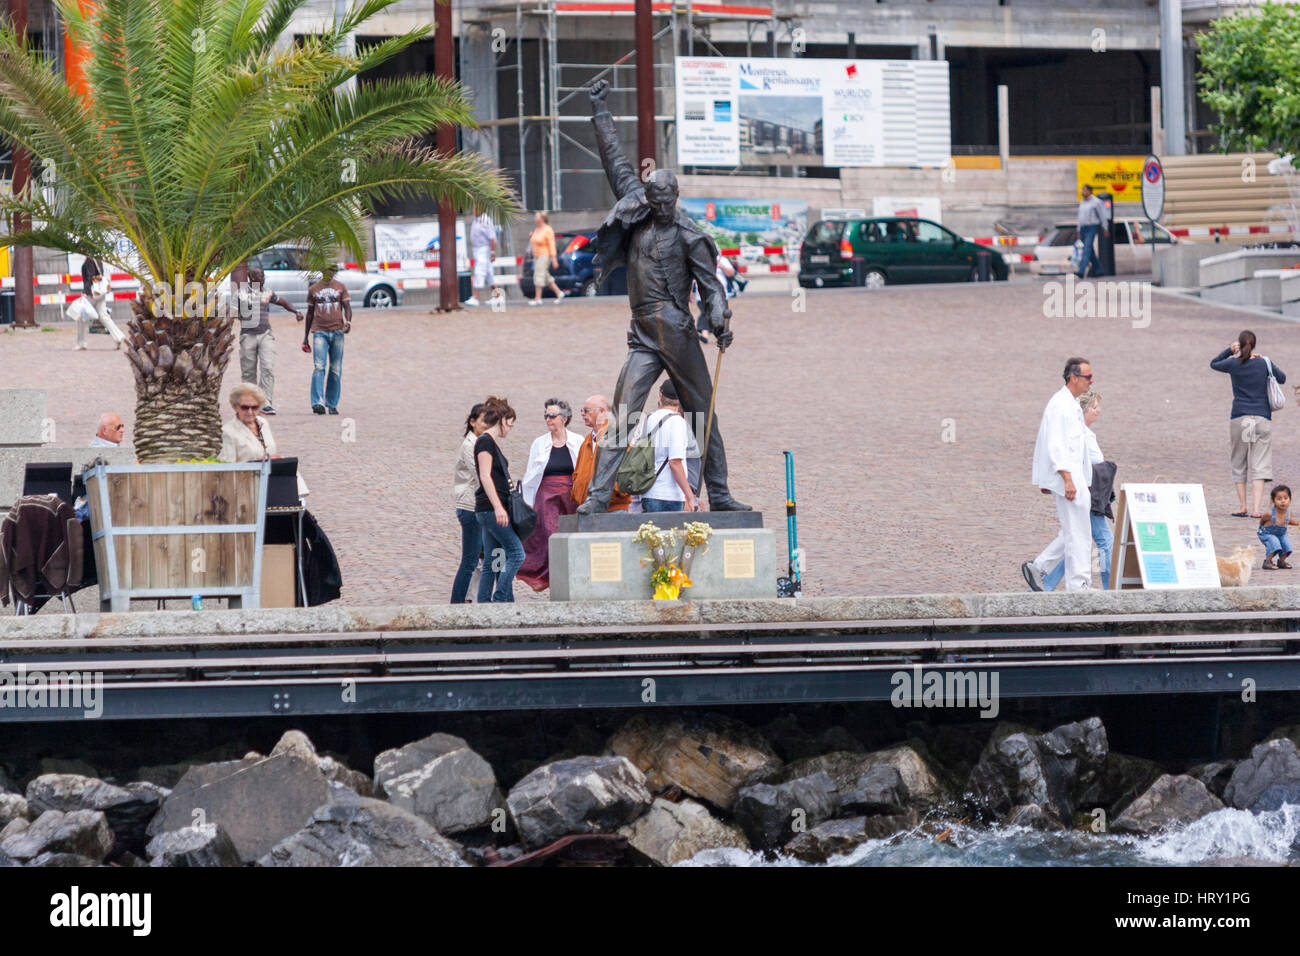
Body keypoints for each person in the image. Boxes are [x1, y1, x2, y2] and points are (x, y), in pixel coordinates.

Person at [577, 78, 749, 513]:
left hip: (676, 329)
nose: (661, 206)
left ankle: (721, 494)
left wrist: (719, 319)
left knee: (702, 414)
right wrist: (600, 110)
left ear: (677, 197)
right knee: (621, 416)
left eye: (667, 200)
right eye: (655, 199)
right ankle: (599, 498)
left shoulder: (691, 236)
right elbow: (614, 160)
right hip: (642, 334)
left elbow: (711, 287)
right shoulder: (636, 211)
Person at [1022, 358, 1096, 592]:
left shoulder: (1070, 404)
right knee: (1078, 534)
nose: (1091, 381)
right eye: (1087, 377)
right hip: (1070, 477)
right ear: (1073, 377)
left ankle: (1040, 566)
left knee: (1074, 531)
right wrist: (1065, 478)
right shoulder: (1060, 405)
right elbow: (1054, 445)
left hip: (1075, 476)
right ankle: (1079, 585)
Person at [1039, 391, 1117, 590]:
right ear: (1082, 411)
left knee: (1072, 540)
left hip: (1089, 495)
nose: (1098, 410)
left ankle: (1041, 581)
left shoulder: (1086, 434)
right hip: (1087, 496)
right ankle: (1112, 590)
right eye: (1094, 407)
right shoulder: (1080, 434)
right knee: (1104, 542)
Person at [1212, 330, 1285, 518]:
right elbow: (1282, 378)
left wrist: (1229, 350)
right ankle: (1256, 510)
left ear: (1240, 344)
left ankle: (1242, 505)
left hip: (1240, 419)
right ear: (1254, 345)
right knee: (1260, 464)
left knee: (1239, 462)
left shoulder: (1233, 363)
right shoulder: (1263, 362)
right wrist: (1265, 362)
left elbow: (1214, 364)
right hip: (1261, 418)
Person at [517, 399, 584, 591]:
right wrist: (527, 502)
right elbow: (531, 473)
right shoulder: (539, 443)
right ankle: (550, 577)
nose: (548, 419)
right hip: (546, 497)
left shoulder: (578, 440)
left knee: (569, 535)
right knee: (550, 534)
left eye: (552, 415)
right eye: (546, 415)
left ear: (564, 418)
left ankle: (569, 575)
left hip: (570, 498)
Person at [474, 396, 524, 602]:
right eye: (510, 423)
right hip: (491, 509)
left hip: (489, 509)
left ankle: (485, 603)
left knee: (494, 559)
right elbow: (485, 476)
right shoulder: (485, 442)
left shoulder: (489, 442)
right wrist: (498, 507)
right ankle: (501, 599)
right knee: (517, 553)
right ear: (503, 420)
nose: (510, 428)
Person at [234, 263, 301, 415]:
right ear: (251, 278)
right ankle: (249, 402)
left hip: (265, 335)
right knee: (248, 372)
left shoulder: (268, 293)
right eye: (260, 276)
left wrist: (296, 311)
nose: (263, 279)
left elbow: (283, 302)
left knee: (268, 368)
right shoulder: (241, 293)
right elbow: (232, 310)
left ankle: (265, 402)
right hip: (247, 336)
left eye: (264, 276)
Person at [639, 380, 697, 513]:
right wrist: (690, 496)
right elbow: (675, 462)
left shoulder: (649, 419)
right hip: (668, 495)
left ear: (660, 395)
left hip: (649, 492)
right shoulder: (677, 422)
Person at [451, 402, 489, 603]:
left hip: (478, 507)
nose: (488, 424)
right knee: (470, 561)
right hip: (470, 508)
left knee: (481, 559)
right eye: (484, 420)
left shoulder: (481, 442)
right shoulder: (470, 446)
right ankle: (456, 605)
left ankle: (475, 599)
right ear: (473, 422)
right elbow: (483, 475)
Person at [304, 265, 352, 415]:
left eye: (332, 270)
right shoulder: (314, 289)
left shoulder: (340, 287)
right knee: (319, 367)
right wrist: (305, 337)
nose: (329, 273)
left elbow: (347, 307)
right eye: (327, 270)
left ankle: (332, 403)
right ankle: (317, 402)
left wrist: (348, 323)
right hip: (319, 332)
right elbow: (309, 313)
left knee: (335, 369)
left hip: (337, 331)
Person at [571, 395, 631, 512]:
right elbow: (577, 474)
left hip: (613, 509)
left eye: (587, 410)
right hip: (588, 510)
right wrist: (577, 493)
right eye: (582, 410)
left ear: (602, 411)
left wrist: (612, 493)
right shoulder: (586, 441)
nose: (582, 414)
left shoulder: (617, 437)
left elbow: (627, 472)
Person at [219, 384, 282, 462]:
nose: (250, 412)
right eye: (245, 407)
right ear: (236, 407)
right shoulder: (228, 432)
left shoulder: (263, 423)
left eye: (254, 407)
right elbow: (227, 467)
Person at [77, 254, 126, 349]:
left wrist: (87, 292)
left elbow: (90, 277)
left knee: (82, 318)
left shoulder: (89, 261)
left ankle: (82, 343)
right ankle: (118, 337)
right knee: (104, 316)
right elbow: (100, 275)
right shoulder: (98, 260)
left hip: (92, 294)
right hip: (100, 293)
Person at [529, 211, 565, 306]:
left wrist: (554, 259)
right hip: (536, 255)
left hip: (544, 255)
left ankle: (538, 298)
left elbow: (551, 244)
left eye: (536, 216)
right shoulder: (537, 229)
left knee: (538, 275)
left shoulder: (548, 229)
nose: (535, 218)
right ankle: (559, 293)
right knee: (545, 277)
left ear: (542, 218)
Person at [1259, 485, 1299, 570]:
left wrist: (1297, 523)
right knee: (1274, 543)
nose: (1283, 501)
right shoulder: (1269, 514)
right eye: (1279, 499)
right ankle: (1267, 562)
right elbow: (1262, 522)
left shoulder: (1289, 512)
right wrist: (1264, 529)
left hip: (1281, 534)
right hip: (1267, 533)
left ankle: (1281, 561)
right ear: (1273, 500)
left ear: (1290, 499)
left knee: (1287, 546)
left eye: (1285, 498)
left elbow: (1289, 521)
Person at [1075, 184, 1109, 279]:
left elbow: (1102, 216)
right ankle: (1099, 270)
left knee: (1086, 250)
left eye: (1084, 190)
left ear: (1089, 191)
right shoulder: (1082, 202)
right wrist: (1078, 230)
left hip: (1092, 227)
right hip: (1083, 228)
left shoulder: (1096, 202)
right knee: (1090, 251)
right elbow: (1080, 217)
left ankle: (1081, 271)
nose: (1082, 192)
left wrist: (1105, 228)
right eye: (1082, 190)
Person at [467, 208, 496, 307]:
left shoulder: (486, 220)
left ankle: (475, 297)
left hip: (484, 249)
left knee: (479, 271)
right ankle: (497, 295)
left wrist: (492, 252)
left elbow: (492, 237)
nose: (473, 210)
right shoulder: (476, 219)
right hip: (477, 249)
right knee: (488, 273)